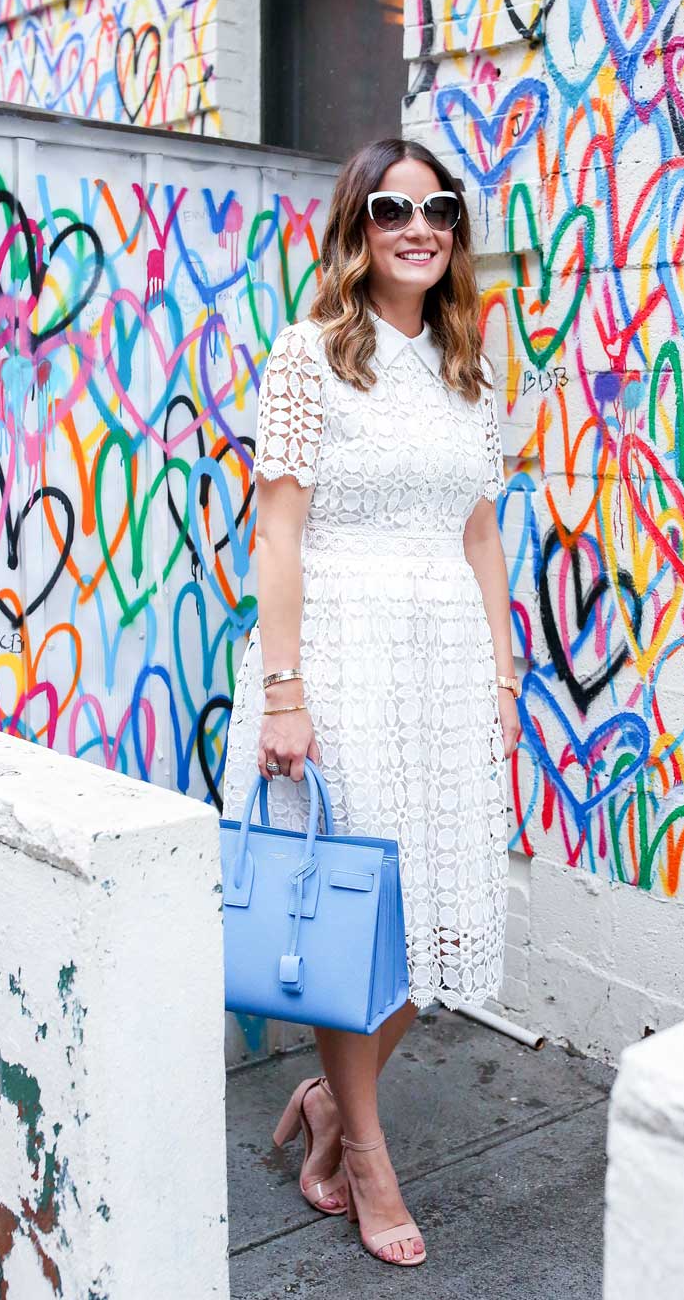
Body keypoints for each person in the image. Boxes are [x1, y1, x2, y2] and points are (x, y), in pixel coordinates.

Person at [222, 138, 521, 1268]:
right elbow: (279, 529)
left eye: (437, 207)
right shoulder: (308, 357)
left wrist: (500, 673)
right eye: (392, 207)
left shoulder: (469, 363)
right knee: (356, 913)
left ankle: (327, 1100)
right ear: (358, 225)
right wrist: (283, 691)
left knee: (430, 908)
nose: (419, 224)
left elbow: (480, 531)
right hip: (342, 653)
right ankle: (367, 1156)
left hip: (444, 659)